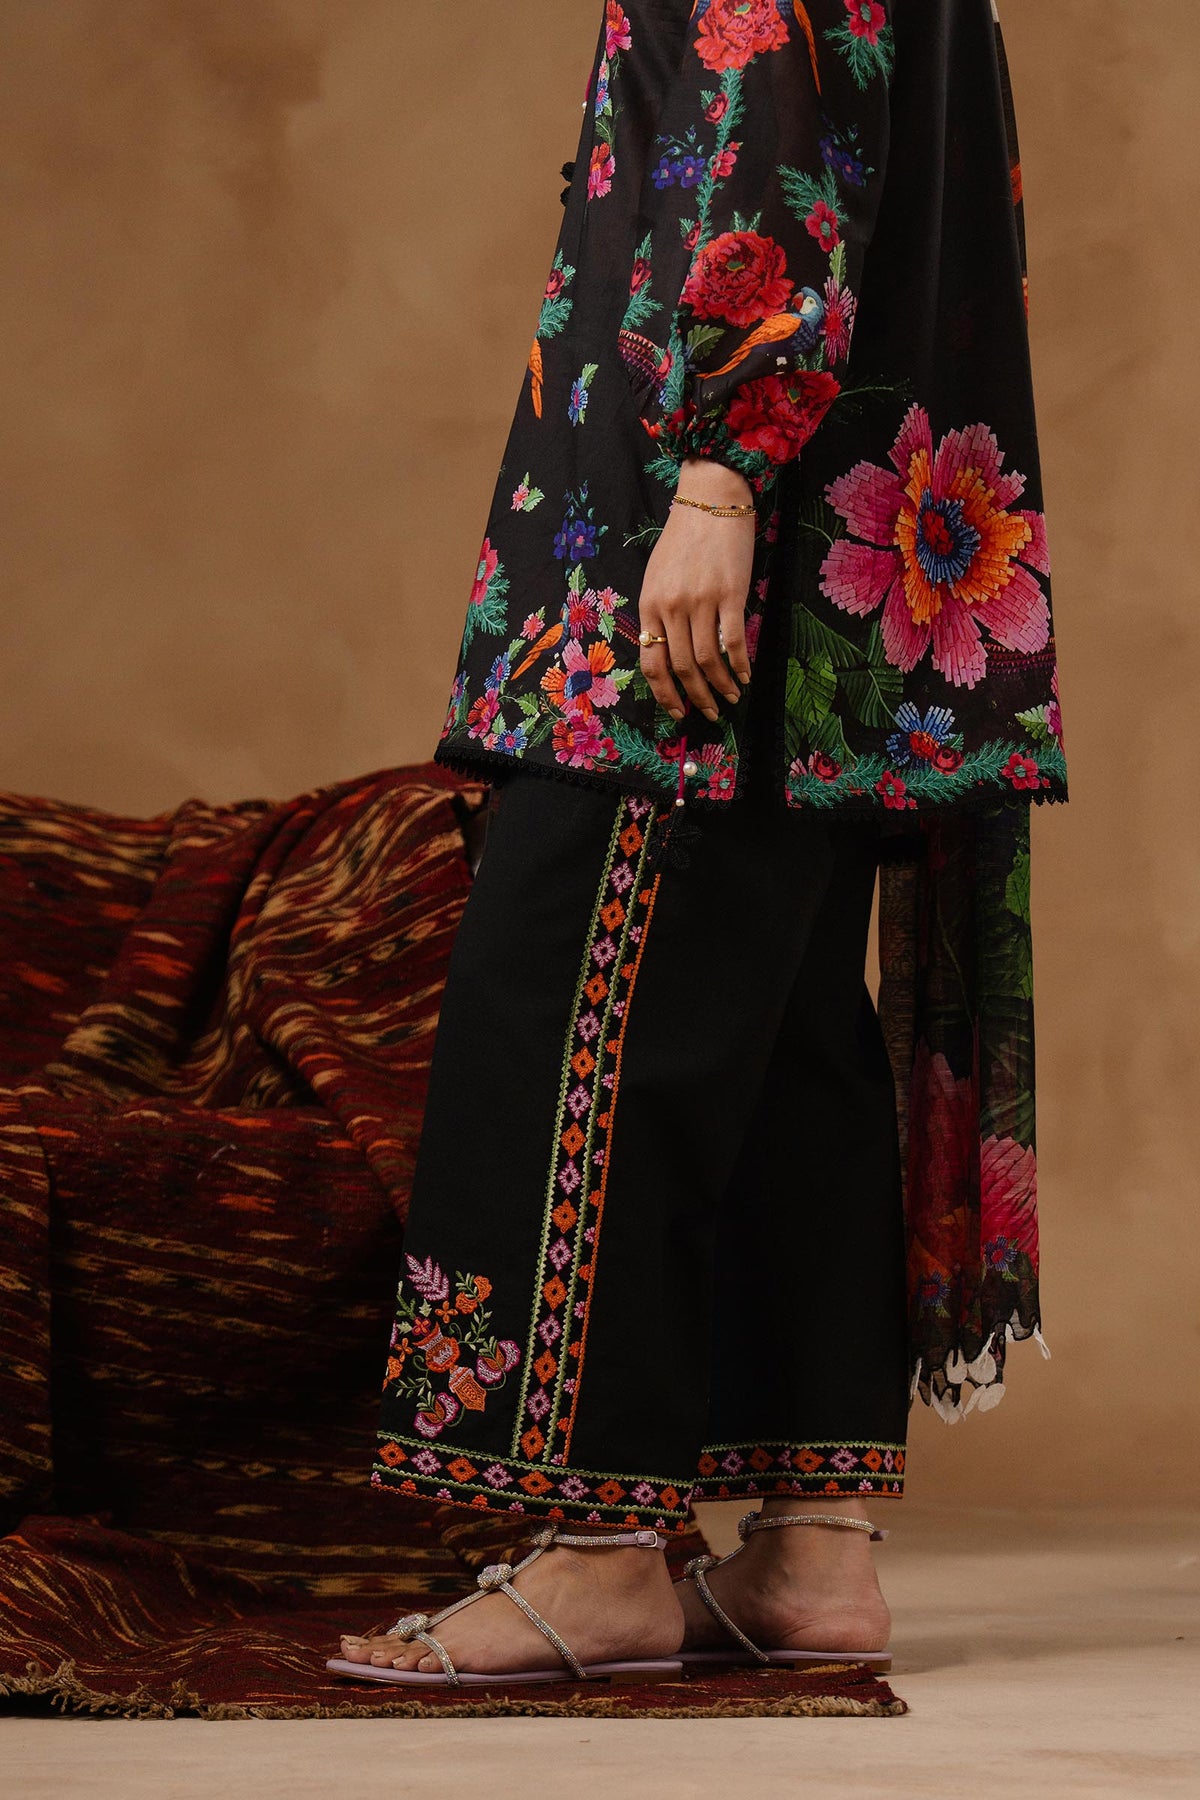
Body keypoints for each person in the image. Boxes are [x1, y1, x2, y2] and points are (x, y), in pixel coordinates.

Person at [329, 0, 1067, 1689]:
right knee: (786, 1030)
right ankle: (814, 1551)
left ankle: (595, 1555)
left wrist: (720, 481)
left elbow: (762, 138)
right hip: (861, 534)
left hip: (722, 525)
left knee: (568, 999)